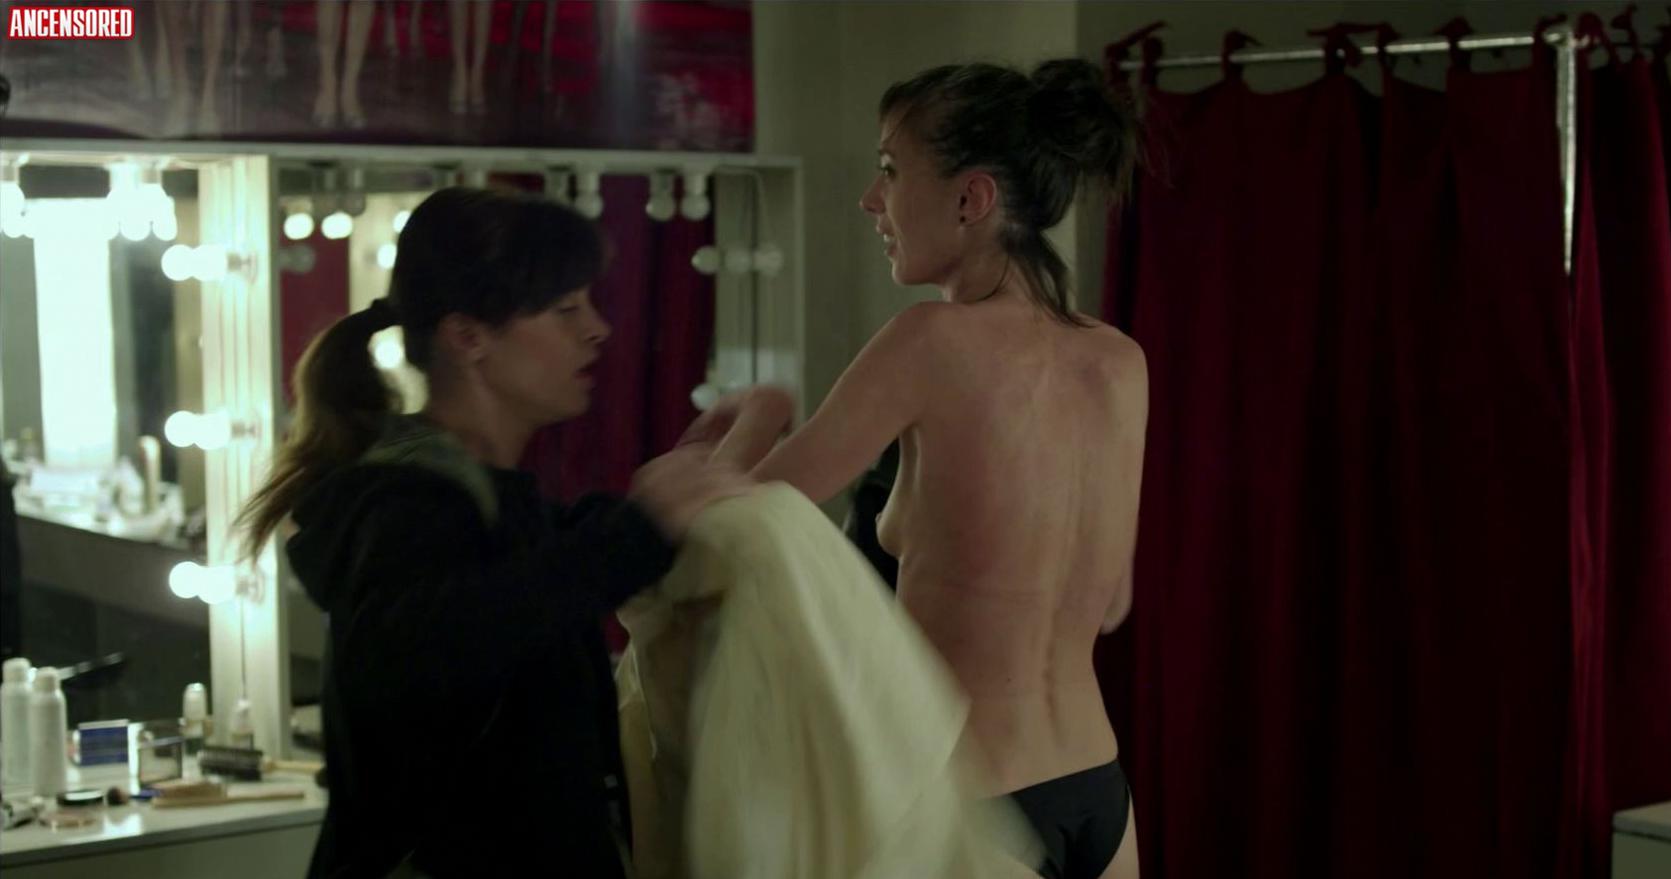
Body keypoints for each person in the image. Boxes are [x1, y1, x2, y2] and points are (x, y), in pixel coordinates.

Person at [700, 60, 1147, 879]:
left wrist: (757, 414)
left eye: (889, 170)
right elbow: (1112, 601)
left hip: (975, 799)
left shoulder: (930, 342)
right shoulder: (1120, 360)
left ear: (971, 199)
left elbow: (736, 518)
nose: (871, 200)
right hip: (1098, 788)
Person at [237, 186, 749, 877]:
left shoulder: (493, 509)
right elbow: (434, 639)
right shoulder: (405, 508)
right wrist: (632, 536)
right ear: (468, 337)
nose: (597, 328)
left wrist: (666, 503)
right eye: (565, 309)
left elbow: (536, 570)